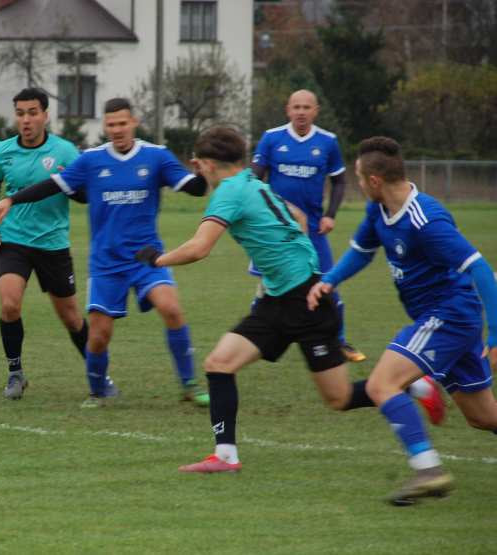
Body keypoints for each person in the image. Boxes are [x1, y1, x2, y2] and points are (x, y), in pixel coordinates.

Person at [133, 127, 445, 476]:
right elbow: (298, 216)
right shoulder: (253, 182)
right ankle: (224, 456)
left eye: (198, 165)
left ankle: (414, 384)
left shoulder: (228, 193)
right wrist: (278, 266)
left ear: (204, 163)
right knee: (219, 364)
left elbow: (200, 248)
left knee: (338, 399)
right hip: (279, 298)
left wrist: (158, 260)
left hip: (306, 300)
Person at [307, 136, 497, 505]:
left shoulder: (425, 220)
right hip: (446, 320)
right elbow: (361, 253)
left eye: (361, 178)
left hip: (450, 316)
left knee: (382, 384)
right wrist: (329, 280)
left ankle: (429, 470)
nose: (358, 185)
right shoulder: (378, 213)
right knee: (483, 416)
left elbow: (482, 270)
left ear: (375, 181)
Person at [0, 97, 209, 408]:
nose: (117, 130)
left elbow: (194, 188)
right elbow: (51, 186)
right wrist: (11, 200)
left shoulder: (157, 156)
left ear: (134, 122)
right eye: (111, 125)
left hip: (147, 256)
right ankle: (97, 391)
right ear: (105, 127)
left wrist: (202, 175)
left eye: (122, 123)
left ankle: (189, 384)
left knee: (171, 308)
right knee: (98, 335)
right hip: (107, 262)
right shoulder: (92, 160)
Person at [0, 87, 88, 400]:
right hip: (14, 241)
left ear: (45, 115)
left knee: (71, 317)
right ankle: (15, 373)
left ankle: (99, 374)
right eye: (20, 113)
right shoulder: (2, 151)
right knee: (10, 303)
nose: (25, 120)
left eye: (32, 113)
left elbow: (83, 195)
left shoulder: (66, 151)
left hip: (53, 243)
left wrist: (70, 187)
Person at [252, 89, 365, 362]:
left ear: (316, 111)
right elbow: (255, 178)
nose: (301, 112)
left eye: (306, 107)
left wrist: (331, 215)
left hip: (313, 230)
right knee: (267, 286)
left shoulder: (327, 142)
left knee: (328, 282)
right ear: (287, 110)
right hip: (277, 231)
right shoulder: (271, 138)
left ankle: (339, 341)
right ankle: (252, 337)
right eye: (296, 107)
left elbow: (339, 181)